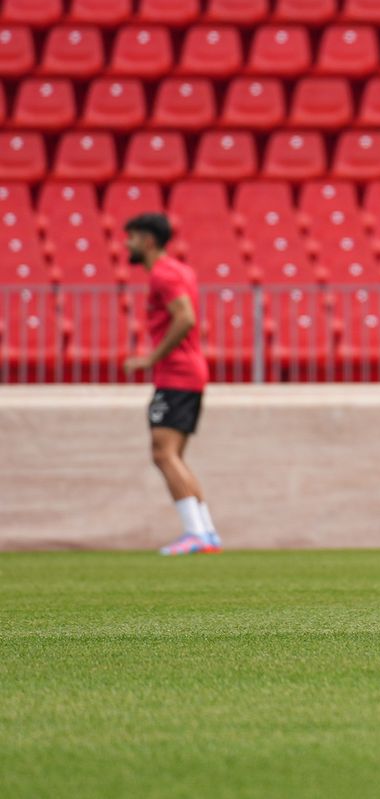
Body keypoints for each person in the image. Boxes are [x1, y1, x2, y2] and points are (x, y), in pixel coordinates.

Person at [122, 213, 221, 556]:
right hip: (190, 372)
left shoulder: (163, 274)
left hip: (176, 373)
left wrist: (151, 358)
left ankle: (196, 533)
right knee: (173, 455)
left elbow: (185, 317)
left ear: (148, 241)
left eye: (132, 237)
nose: (127, 244)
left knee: (162, 453)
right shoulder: (181, 270)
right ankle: (205, 531)